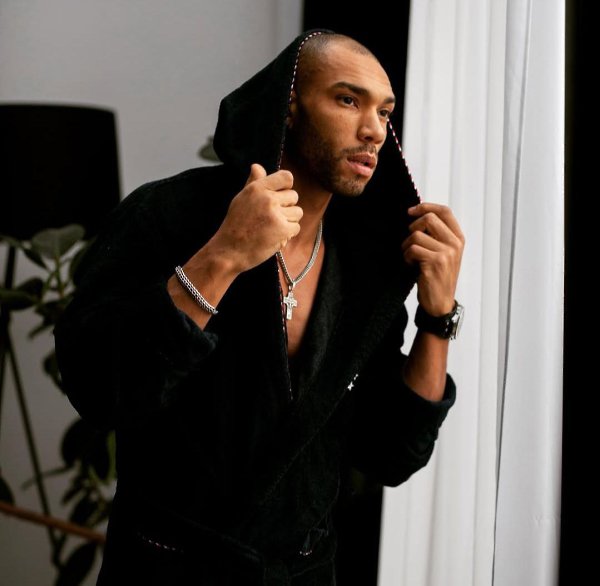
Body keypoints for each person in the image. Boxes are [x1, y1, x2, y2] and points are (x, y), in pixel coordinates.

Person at [54, 29, 464, 585]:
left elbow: (391, 454)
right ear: (289, 106)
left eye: (384, 112)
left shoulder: (366, 264)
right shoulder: (172, 212)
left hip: (302, 573)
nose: (374, 130)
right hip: (164, 570)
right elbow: (100, 388)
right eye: (348, 100)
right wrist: (223, 255)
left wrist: (437, 316)